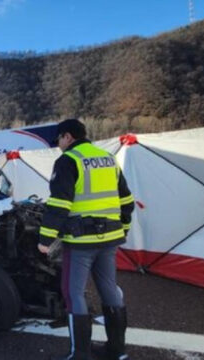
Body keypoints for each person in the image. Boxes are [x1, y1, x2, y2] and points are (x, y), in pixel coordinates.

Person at [38, 119, 134, 360]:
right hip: (110, 238)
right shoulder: (108, 159)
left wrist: (45, 239)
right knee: (109, 290)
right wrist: (124, 228)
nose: (58, 145)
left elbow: (59, 204)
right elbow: (126, 201)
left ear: (68, 137)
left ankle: (79, 355)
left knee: (74, 293)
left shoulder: (68, 160)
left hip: (81, 242)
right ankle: (117, 351)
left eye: (59, 140)